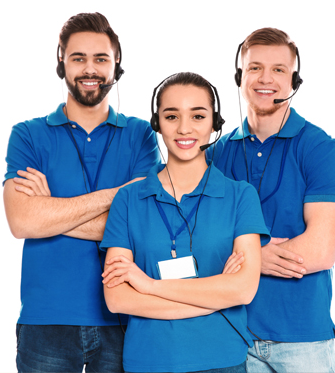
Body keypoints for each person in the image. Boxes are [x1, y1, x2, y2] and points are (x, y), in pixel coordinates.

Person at [2, 12, 160, 373]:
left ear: (116, 64)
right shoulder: (28, 135)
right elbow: (21, 220)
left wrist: (49, 211)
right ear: (62, 62)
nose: (90, 69)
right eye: (79, 58)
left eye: (101, 59)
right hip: (46, 321)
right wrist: (119, 194)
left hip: (124, 315)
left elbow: (145, 225)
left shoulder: (140, 135)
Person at [99, 72, 270, 373]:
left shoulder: (241, 196)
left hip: (222, 361)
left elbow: (243, 290)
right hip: (148, 362)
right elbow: (117, 298)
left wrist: (148, 285)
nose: (184, 128)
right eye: (171, 116)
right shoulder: (127, 200)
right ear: (157, 123)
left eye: (198, 116)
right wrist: (217, 297)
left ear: (214, 124)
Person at [208, 28, 335, 372]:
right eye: (255, 68)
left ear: (294, 80)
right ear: (240, 77)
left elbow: (319, 251)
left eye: (279, 69)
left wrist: (243, 256)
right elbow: (198, 246)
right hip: (231, 337)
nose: (265, 79)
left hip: (304, 340)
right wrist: (261, 255)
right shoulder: (215, 154)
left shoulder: (320, 148)